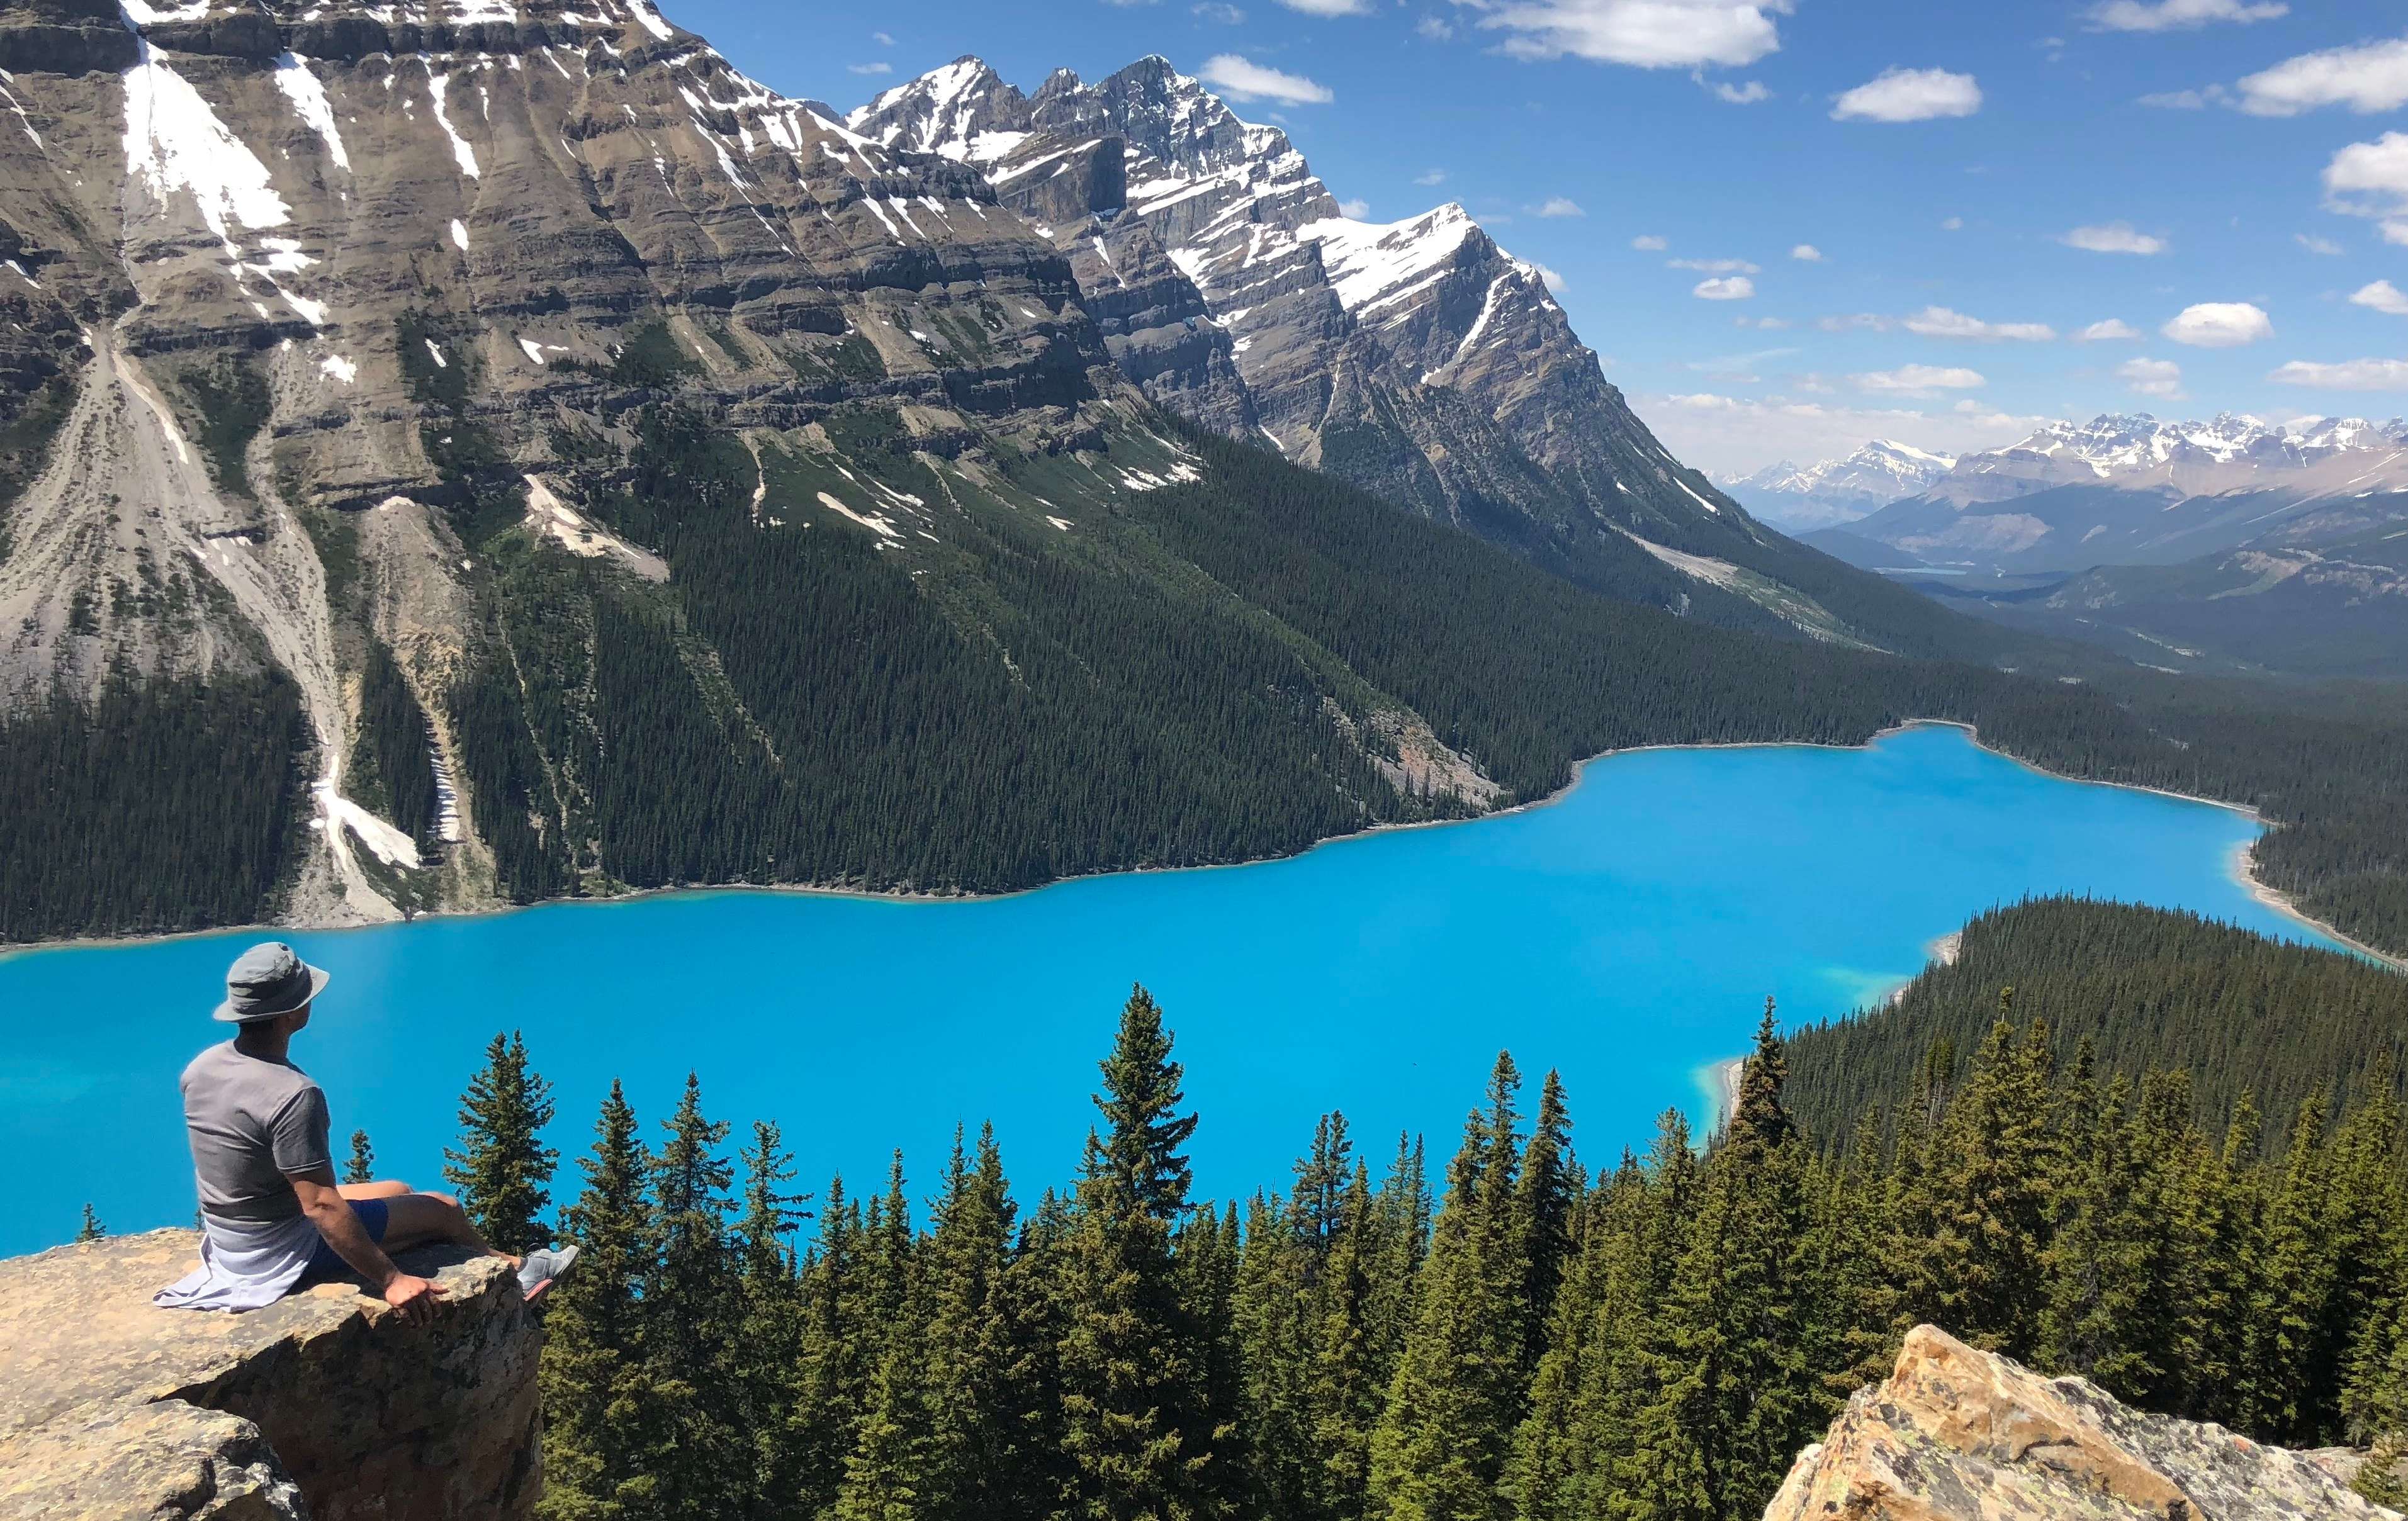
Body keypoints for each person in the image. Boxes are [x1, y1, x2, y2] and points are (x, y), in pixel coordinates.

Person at [154, 942, 577, 1316]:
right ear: (291, 1012)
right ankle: (517, 1274)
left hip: (232, 1235)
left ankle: (513, 1265)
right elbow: (320, 1204)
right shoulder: (292, 1093)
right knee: (444, 1207)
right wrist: (391, 1279)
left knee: (398, 1187)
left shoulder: (202, 1067)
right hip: (277, 1250)